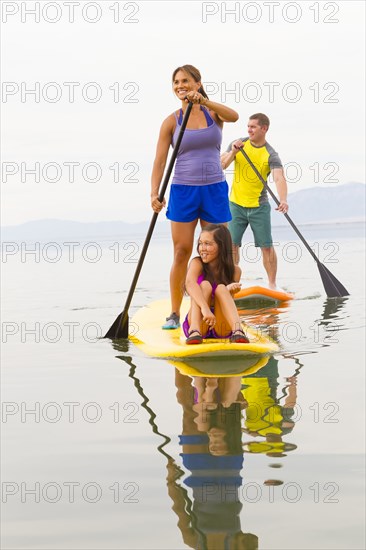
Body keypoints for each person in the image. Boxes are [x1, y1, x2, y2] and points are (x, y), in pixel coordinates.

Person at [151, 64, 239, 329]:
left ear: (198, 83)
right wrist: (154, 193)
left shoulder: (214, 113)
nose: (181, 86)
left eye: (186, 81)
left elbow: (234, 115)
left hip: (214, 189)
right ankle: (175, 312)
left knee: (219, 251)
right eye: (176, 82)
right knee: (182, 252)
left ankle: (221, 306)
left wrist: (204, 101)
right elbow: (159, 161)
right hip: (183, 191)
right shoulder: (171, 121)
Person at [220, 113, 288, 290]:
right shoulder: (238, 144)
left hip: (259, 207)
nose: (249, 129)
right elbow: (221, 165)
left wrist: (283, 200)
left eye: (253, 127)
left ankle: (272, 284)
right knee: (232, 246)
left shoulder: (271, 154)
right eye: (248, 126)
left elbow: (279, 178)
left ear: (264, 129)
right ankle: (232, 282)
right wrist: (234, 151)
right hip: (235, 205)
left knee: (266, 247)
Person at [183, 224, 249, 344]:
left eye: (207, 244)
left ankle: (238, 331)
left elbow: (229, 304)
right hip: (198, 323)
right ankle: (194, 331)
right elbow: (189, 283)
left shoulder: (235, 270)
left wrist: (228, 291)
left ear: (222, 246)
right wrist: (205, 309)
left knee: (221, 288)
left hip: (221, 327)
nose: (202, 248)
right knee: (205, 285)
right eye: (200, 243)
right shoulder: (197, 263)